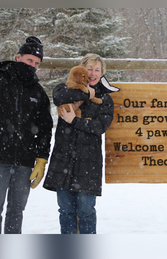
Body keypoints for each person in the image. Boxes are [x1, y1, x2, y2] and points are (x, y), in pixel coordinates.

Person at [0, 36, 53, 234]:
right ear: (18, 57)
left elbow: (46, 128)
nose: (33, 66)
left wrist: (41, 158)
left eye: (37, 63)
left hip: (24, 161)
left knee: (17, 210)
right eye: (30, 60)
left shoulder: (38, 92)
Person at [43, 53, 119, 234]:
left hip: (88, 163)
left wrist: (75, 121)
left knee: (86, 211)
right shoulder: (64, 89)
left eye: (97, 70)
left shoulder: (105, 99)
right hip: (63, 161)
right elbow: (58, 97)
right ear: (82, 70)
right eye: (89, 69)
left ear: (102, 74)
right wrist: (87, 94)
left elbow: (100, 126)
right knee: (66, 211)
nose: (92, 73)